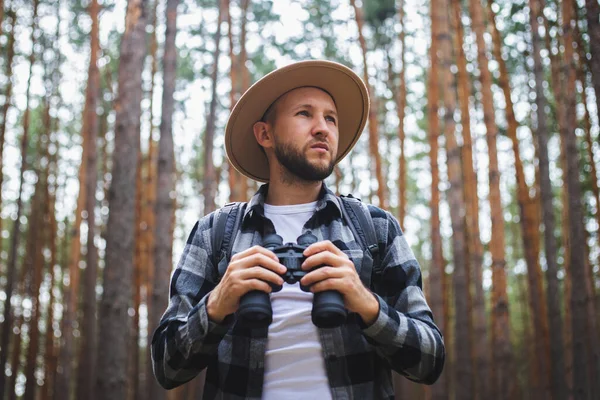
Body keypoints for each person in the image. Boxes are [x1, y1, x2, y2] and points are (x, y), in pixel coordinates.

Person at [151, 60, 445, 399]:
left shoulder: (374, 228)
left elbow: (430, 361)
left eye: (331, 118)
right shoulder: (216, 232)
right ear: (265, 134)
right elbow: (166, 367)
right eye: (305, 114)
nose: (323, 128)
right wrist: (217, 303)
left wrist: (367, 305)